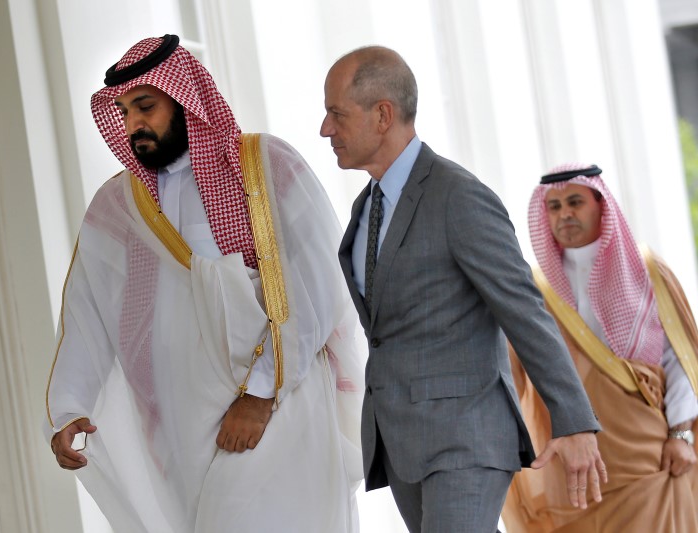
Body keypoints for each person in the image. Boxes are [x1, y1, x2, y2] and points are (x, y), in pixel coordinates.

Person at [45, 34, 366, 533]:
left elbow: (317, 288)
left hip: (279, 409)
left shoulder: (266, 167)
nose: (134, 125)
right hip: (183, 426)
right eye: (124, 112)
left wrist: (261, 396)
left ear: (185, 97)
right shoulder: (119, 206)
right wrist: (70, 407)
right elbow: (89, 309)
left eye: (145, 106)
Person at [320, 46, 606, 533]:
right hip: (402, 440)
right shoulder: (366, 208)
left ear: (383, 114)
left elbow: (523, 309)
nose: (325, 130)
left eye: (336, 114)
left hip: (468, 437)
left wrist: (575, 421)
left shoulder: (459, 196)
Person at [502, 163, 698, 532]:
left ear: (601, 205)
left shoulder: (649, 271)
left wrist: (681, 434)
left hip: (648, 457)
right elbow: (512, 373)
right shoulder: (533, 288)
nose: (565, 214)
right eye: (554, 207)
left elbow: (682, 360)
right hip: (574, 469)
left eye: (575, 202)